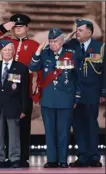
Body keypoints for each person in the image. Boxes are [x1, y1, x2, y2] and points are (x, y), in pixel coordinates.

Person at [0, 14, 41, 167]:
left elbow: (38, 69)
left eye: (20, 26)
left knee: (22, 126)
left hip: (23, 92)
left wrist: (36, 91)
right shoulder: (7, 42)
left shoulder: (34, 45)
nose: (17, 29)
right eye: (15, 27)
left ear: (27, 28)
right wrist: (3, 28)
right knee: (4, 128)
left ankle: (22, 158)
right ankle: (5, 158)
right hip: (4, 92)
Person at [29, 28, 81, 168]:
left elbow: (77, 77)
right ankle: (52, 160)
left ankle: (63, 160)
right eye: (51, 41)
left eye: (55, 41)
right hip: (48, 99)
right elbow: (32, 67)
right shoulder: (45, 54)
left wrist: (76, 97)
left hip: (65, 99)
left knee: (63, 132)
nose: (53, 44)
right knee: (50, 132)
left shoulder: (70, 55)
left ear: (62, 41)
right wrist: (38, 51)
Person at [65, 19, 106, 168]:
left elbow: (104, 72)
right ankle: (82, 156)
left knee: (91, 125)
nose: (77, 32)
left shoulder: (100, 47)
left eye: (80, 30)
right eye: (76, 29)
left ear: (89, 32)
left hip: (91, 92)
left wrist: (103, 91)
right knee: (77, 125)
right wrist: (67, 38)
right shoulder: (71, 46)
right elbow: (54, 49)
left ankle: (94, 156)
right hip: (74, 93)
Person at [0, 40, 29, 168]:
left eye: (9, 50)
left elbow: (24, 91)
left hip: (14, 106)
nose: (7, 52)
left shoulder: (21, 68)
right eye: (5, 50)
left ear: (13, 51)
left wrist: (24, 109)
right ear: (1, 51)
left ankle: (14, 158)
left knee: (14, 134)